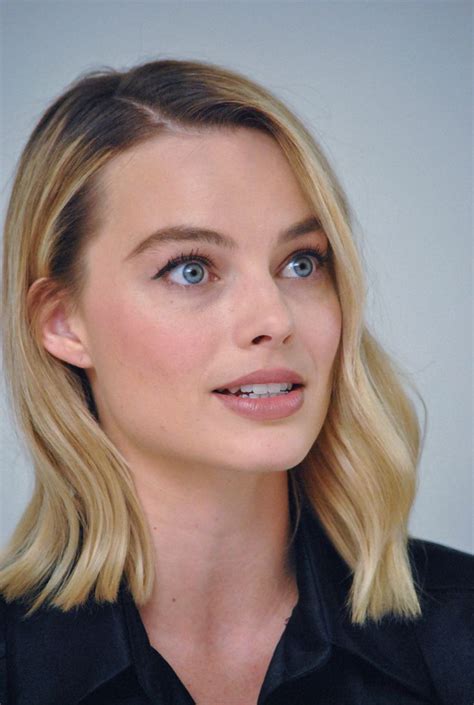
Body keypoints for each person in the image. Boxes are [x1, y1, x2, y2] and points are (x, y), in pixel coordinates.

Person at [0, 58, 472, 705]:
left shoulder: (460, 634)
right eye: (191, 268)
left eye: (301, 262)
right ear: (62, 321)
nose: (274, 318)